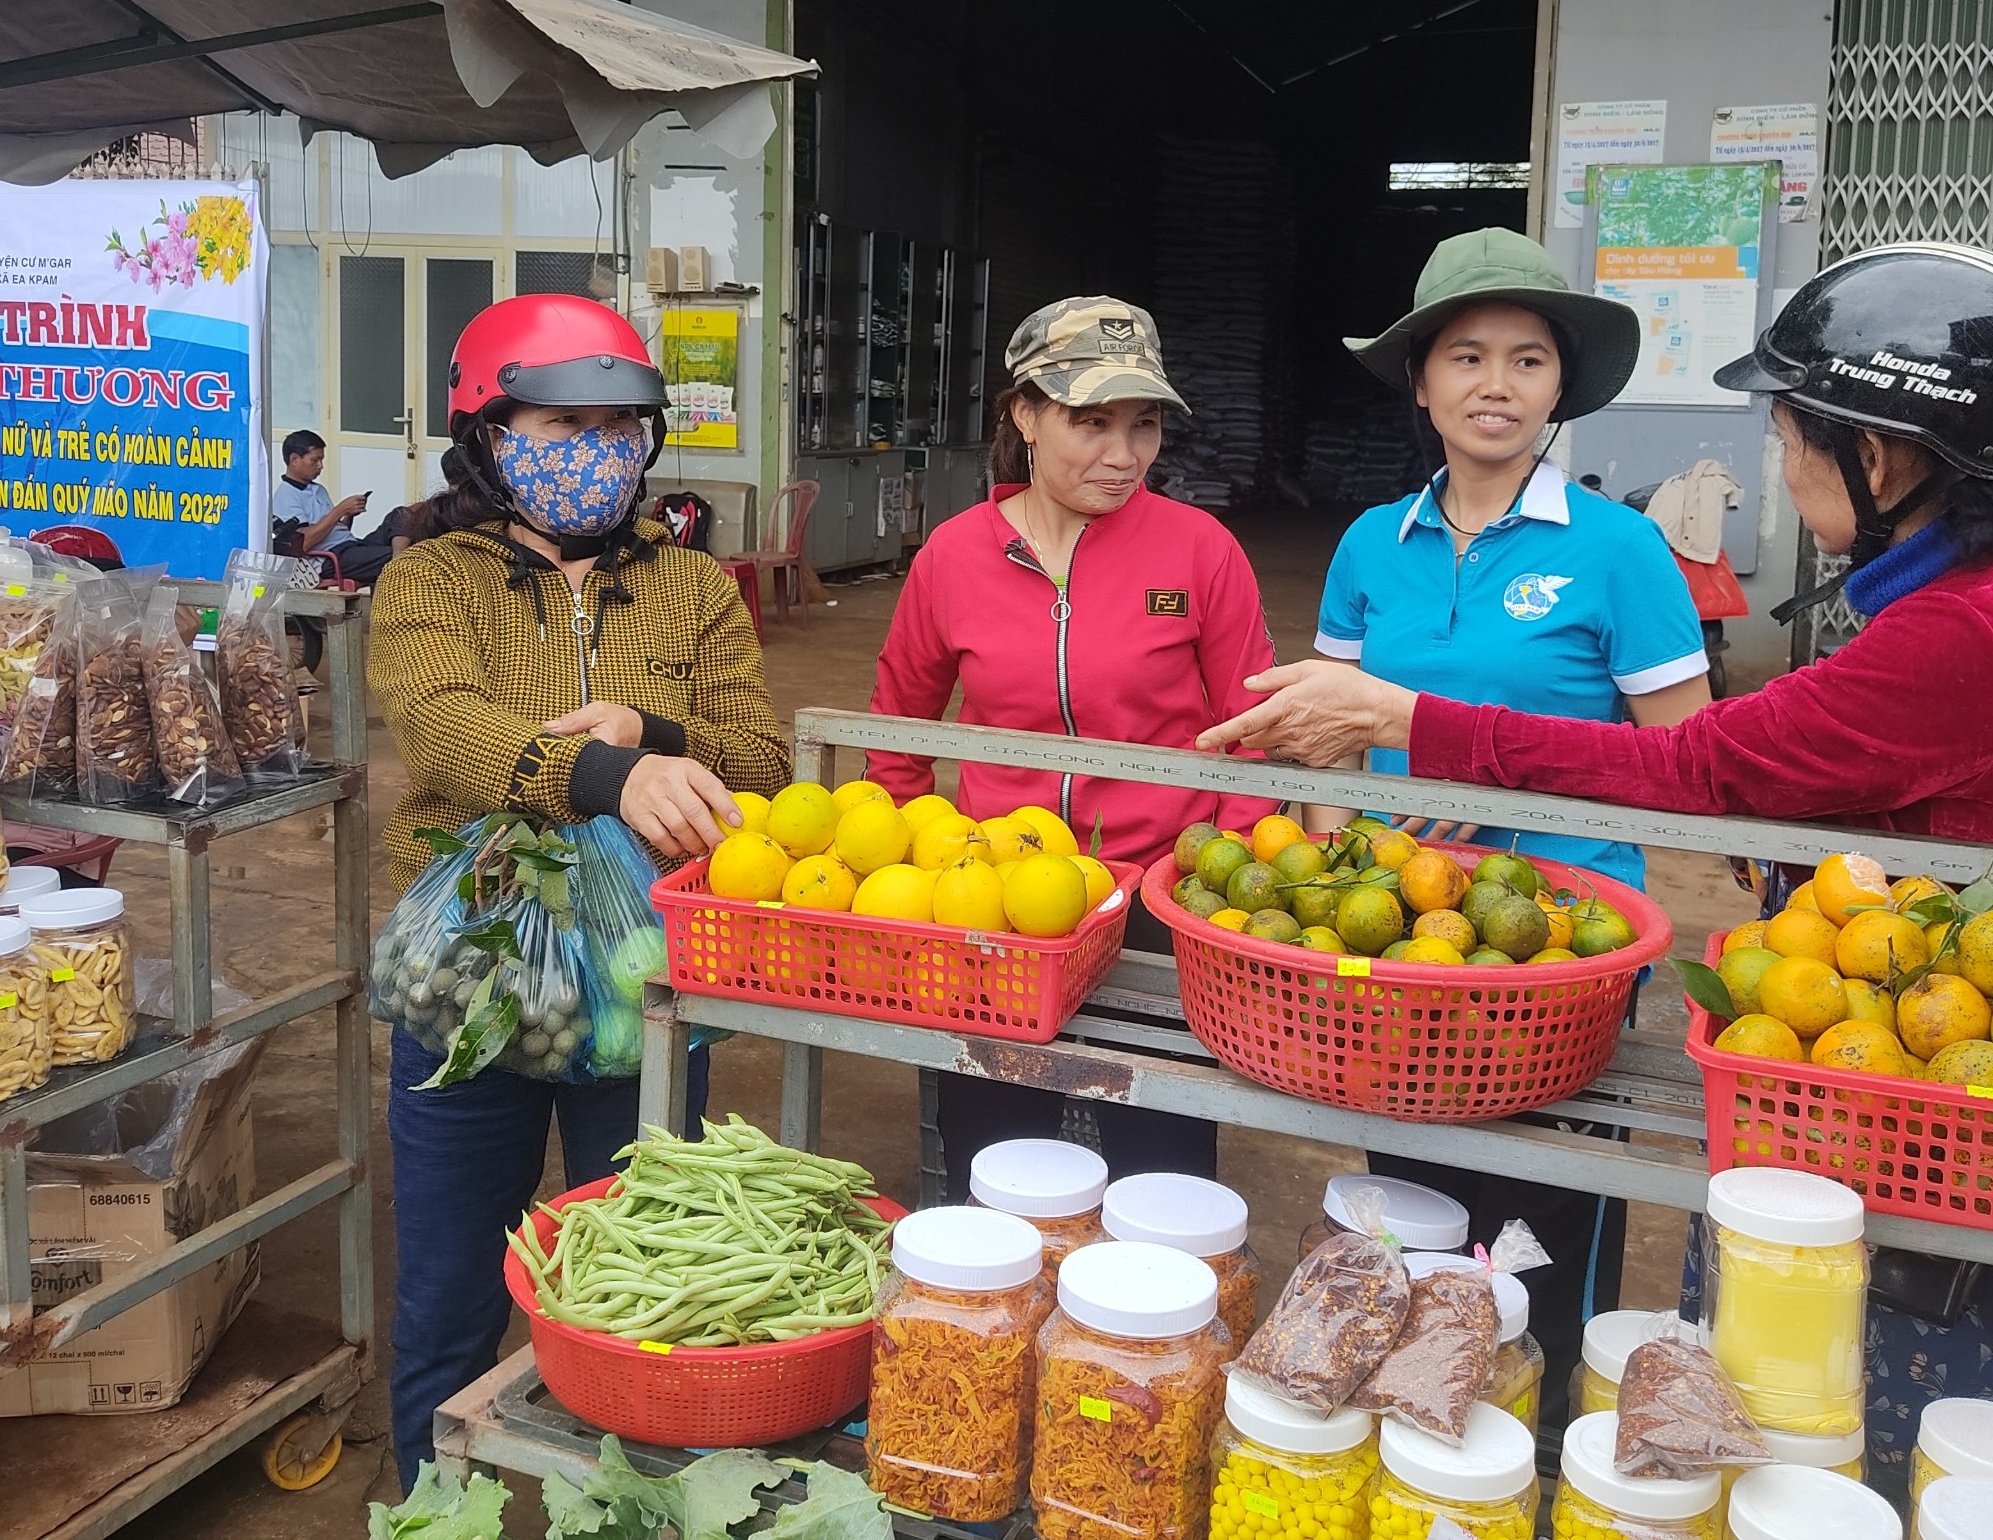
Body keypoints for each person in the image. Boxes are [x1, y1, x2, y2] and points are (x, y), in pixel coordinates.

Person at [1203, 241, 1993, 1489]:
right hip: (1894, 1047)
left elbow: (1704, 763)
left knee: (1841, 1441)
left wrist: (1412, 719)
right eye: (1462, 354)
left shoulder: (1975, 624)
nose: (1778, 468)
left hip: (1931, 1097)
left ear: (1878, 459)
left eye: (1789, 440)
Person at [366, 293, 789, 1486]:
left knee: (638, 1275)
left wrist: (654, 724)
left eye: (617, 425)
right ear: (490, 435)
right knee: (450, 1287)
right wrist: (607, 772)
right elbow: (443, 730)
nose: (591, 451)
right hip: (468, 975)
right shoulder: (431, 579)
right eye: (560, 424)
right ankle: (428, 1500)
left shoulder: (690, 588)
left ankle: (633, 1500)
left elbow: (758, 759)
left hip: (642, 977)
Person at [1307, 226, 1713, 1447]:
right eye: (1467, 355)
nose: (1496, 382)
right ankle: (1414, 1445)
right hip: (1400, 941)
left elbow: (1687, 765)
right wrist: (1338, 861)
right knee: (1412, 1207)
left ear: (1558, 388)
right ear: (1421, 383)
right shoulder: (1370, 542)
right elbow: (1323, 741)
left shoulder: (1619, 547)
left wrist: (1512, 790)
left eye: (1527, 359)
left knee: (1542, 1222)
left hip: (1564, 951)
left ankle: (1528, 1468)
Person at [866, 297, 1281, 1193]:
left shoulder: (1200, 552)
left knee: (1160, 1162)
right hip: (995, 902)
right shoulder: (953, 556)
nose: (1123, 455)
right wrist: (907, 859)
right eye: (1090, 423)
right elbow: (896, 732)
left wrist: (1217, 872)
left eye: (1143, 425)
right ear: (1024, 412)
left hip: (1158, 903)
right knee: (998, 1156)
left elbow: (1249, 733)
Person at [272, 428, 410, 584]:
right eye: (315, 460)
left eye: (322, 460)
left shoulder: (318, 489)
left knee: (401, 514)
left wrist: (349, 515)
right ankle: (399, 562)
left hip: (350, 546)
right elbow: (303, 543)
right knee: (406, 554)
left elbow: (334, 531)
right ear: (295, 459)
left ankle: (397, 558)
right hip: (329, 558)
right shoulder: (286, 496)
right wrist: (340, 510)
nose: (320, 466)